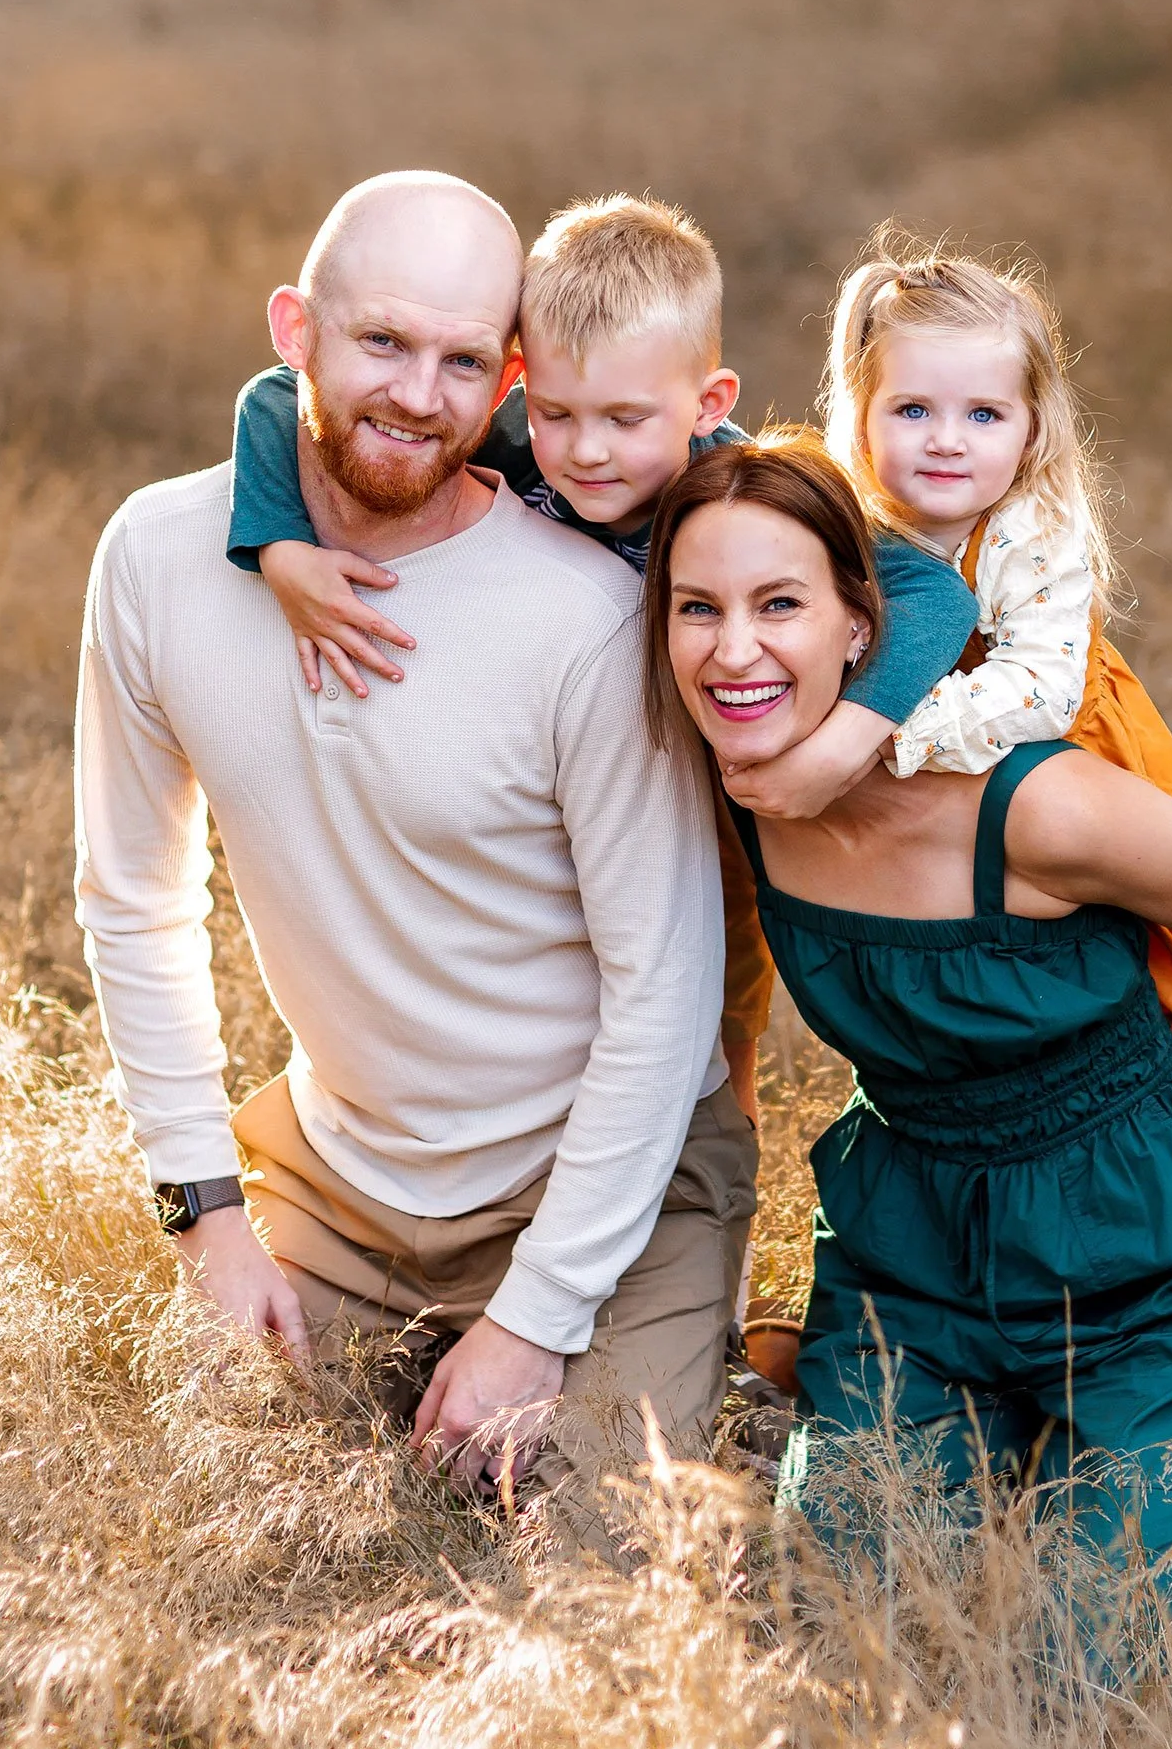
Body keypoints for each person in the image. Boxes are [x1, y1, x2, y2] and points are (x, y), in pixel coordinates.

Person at [73, 167, 759, 1540]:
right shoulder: (158, 556)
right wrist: (206, 1215)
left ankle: (748, 1362)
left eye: (464, 361)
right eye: (382, 342)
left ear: (508, 375)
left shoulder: (590, 617)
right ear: (295, 331)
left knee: (599, 1571)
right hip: (340, 1177)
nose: (417, 395)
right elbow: (133, 901)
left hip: (602, 1181)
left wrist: (536, 1317)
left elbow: (664, 995)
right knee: (219, 1534)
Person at [645, 436, 1172, 1663]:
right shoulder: (732, 791)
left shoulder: (1031, 803)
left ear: (862, 627)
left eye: (779, 605)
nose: (733, 649)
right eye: (695, 608)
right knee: (841, 1643)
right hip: (914, 1258)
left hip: (1165, 1264)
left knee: (1077, 1672)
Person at [724, 233, 1172, 1388]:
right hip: (939, 806)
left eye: (981, 414)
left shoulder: (1032, 526)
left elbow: (1036, 688)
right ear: (857, 413)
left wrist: (874, 738)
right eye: (910, 408)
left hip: (1069, 750)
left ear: (1031, 427)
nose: (946, 440)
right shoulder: (852, 517)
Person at [221, 190, 979, 1129]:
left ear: (709, 405)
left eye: (626, 420)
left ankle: (718, 1205)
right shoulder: (507, 440)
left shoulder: (745, 494)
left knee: (717, 1003)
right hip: (550, 780)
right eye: (556, 412)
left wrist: (837, 747)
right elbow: (273, 392)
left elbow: (936, 592)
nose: (585, 452)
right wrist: (281, 546)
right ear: (514, 386)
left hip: (716, 796)